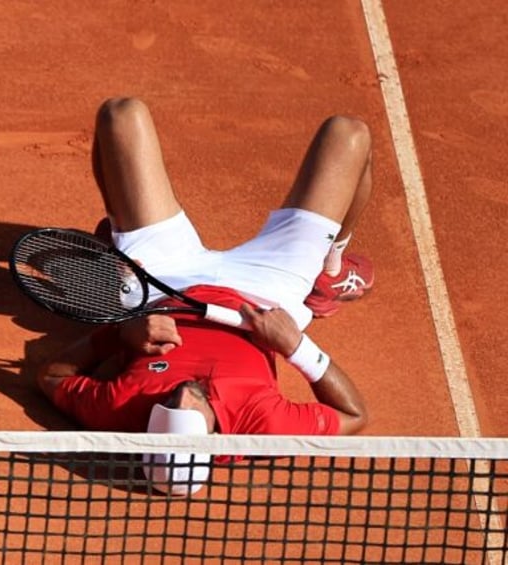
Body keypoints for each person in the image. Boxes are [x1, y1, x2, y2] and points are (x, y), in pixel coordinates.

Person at [34, 97, 373, 491]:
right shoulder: (261, 426)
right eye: (188, 413)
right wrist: (297, 347)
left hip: (165, 282)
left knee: (120, 114)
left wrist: (120, 333)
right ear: (214, 441)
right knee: (350, 134)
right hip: (269, 289)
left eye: (164, 412)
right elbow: (353, 415)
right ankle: (331, 269)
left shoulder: (122, 410)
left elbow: (50, 375)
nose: (180, 398)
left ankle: (121, 234)